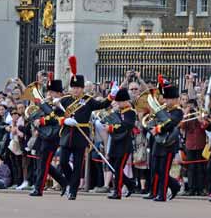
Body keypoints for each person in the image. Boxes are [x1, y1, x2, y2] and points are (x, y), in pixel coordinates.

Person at [57, 57, 115, 200]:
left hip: (81, 135)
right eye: (73, 87)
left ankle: (73, 191)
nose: (75, 90)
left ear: (82, 88)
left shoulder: (88, 100)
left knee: (78, 165)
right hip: (66, 134)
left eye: (78, 88)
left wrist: (111, 95)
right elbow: (55, 116)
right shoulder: (65, 100)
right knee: (63, 161)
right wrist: (65, 120)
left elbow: (102, 105)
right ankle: (70, 182)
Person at [30, 77, 68, 196]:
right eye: (49, 91)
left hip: (52, 136)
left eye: (52, 92)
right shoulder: (48, 103)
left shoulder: (62, 103)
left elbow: (55, 118)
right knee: (42, 162)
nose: (49, 94)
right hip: (43, 134)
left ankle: (38, 188)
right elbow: (39, 114)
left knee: (43, 163)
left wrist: (41, 120)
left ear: (58, 92)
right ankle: (64, 182)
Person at [149, 79, 183, 202]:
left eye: (169, 99)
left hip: (169, 143)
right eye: (166, 98)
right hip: (159, 143)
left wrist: (158, 129)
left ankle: (162, 194)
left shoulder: (178, 111)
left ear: (175, 99)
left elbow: (171, 124)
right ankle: (174, 185)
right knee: (157, 169)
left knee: (164, 170)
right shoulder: (164, 110)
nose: (166, 101)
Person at [106, 87, 138, 199]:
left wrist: (113, 128)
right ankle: (130, 184)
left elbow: (127, 125)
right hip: (115, 143)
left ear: (125, 101)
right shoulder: (118, 112)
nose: (118, 103)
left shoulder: (130, 112)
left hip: (124, 144)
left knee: (118, 168)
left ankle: (117, 191)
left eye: (120, 101)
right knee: (113, 167)